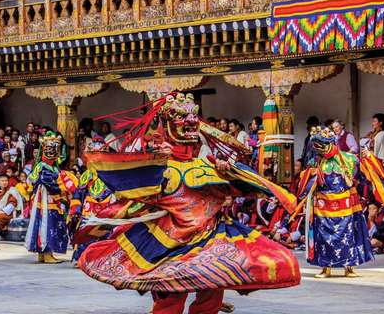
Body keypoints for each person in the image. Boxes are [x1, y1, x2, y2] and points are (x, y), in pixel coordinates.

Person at [79, 93, 300, 313]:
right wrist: (107, 218)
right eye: (181, 117)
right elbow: (137, 202)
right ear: (167, 124)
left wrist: (230, 173)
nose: (191, 122)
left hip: (211, 241)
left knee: (213, 290)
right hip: (170, 244)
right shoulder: (160, 167)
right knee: (170, 299)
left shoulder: (208, 165)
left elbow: (238, 190)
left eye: (194, 116)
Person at [295, 126, 384, 277]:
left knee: (349, 237)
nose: (322, 149)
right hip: (323, 207)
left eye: (324, 145)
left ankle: (349, 267)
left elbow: (364, 176)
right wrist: (310, 175)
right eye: (318, 146)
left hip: (346, 206)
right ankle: (326, 268)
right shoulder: (316, 162)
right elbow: (306, 184)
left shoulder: (349, 158)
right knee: (325, 238)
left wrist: (368, 158)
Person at [26, 132, 77, 263]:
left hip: (49, 199)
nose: (52, 153)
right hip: (47, 199)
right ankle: (46, 253)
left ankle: (43, 254)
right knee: (48, 224)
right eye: (49, 149)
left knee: (47, 223)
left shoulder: (51, 166)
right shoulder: (43, 166)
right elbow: (47, 181)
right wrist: (63, 186)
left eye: (54, 150)